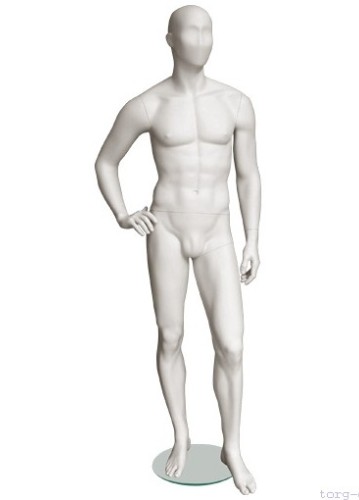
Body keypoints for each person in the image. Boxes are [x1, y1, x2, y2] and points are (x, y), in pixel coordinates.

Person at [95, 5, 261, 495]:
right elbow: (105, 161)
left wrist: (253, 237)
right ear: (170, 39)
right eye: (191, 30)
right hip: (166, 227)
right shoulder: (148, 104)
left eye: (208, 29)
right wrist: (122, 213)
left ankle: (232, 447)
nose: (201, 38)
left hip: (217, 230)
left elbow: (248, 174)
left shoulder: (236, 103)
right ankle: (182, 436)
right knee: (170, 336)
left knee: (232, 345)